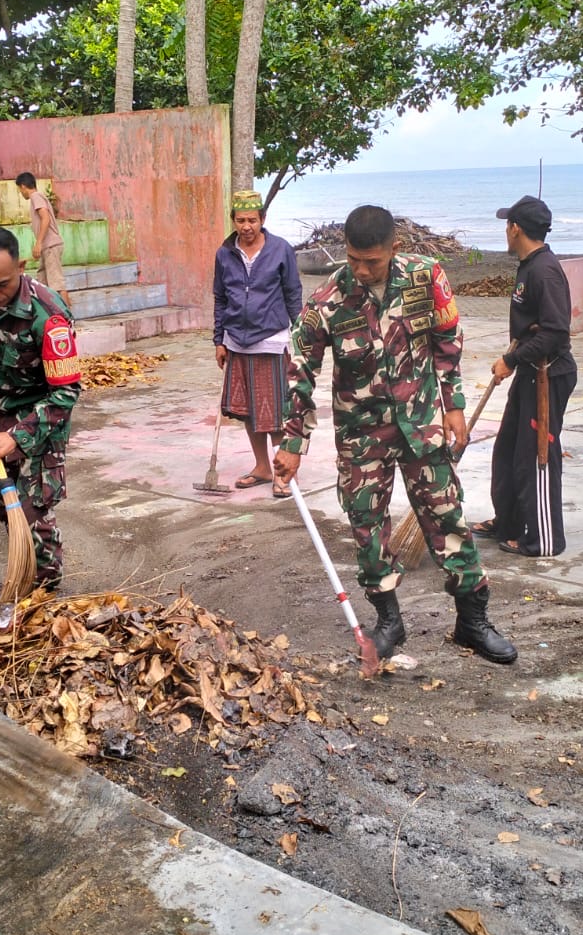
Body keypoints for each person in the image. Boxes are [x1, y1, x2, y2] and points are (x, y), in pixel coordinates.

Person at [273, 206, 517, 665]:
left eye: (373, 261)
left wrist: (455, 407)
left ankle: (472, 622)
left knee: (447, 518)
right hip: (362, 436)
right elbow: (300, 369)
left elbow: (447, 341)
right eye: (353, 260)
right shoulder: (328, 299)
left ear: (395, 249)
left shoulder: (427, 277)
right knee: (366, 526)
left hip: (421, 424)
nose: (362, 271)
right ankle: (389, 621)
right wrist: (292, 444)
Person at [0, 226, 81, 591]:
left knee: (32, 506)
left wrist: (17, 438)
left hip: (42, 417)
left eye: (2, 285)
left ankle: (44, 590)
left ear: (21, 266)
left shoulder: (49, 315)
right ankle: (24, 564)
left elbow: (66, 393)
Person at [472, 195, 577, 557]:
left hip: (548, 376)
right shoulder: (528, 265)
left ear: (516, 228)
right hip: (530, 374)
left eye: (507, 225)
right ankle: (510, 522)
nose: (505, 230)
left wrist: (512, 359)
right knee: (507, 453)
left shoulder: (544, 270)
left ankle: (544, 539)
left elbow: (556, 333)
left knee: (537, 456)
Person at [213, 190, 303, 497]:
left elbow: (293, 294)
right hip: (236, 341)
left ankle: (282, 472)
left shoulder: (281, 250)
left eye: (252, 220)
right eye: (241, 220)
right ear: (233, 221)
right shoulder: (225, 253)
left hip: (271, 339)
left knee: (275, 411)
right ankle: (262, 467)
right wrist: (218, 340)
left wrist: (300, 336)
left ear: (263, 220)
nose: (247, 226)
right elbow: (220, 298)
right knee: (250, 410)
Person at [16, 172, 70, 307]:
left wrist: (38, 243)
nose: (21, 193)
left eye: (19, 189)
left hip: (50, 245)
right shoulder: (38, 198)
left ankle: (68, 316)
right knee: (43, 282)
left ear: (23, 186)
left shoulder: (36, 197)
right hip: (48, 246)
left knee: (56, 283)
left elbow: (45, 218)